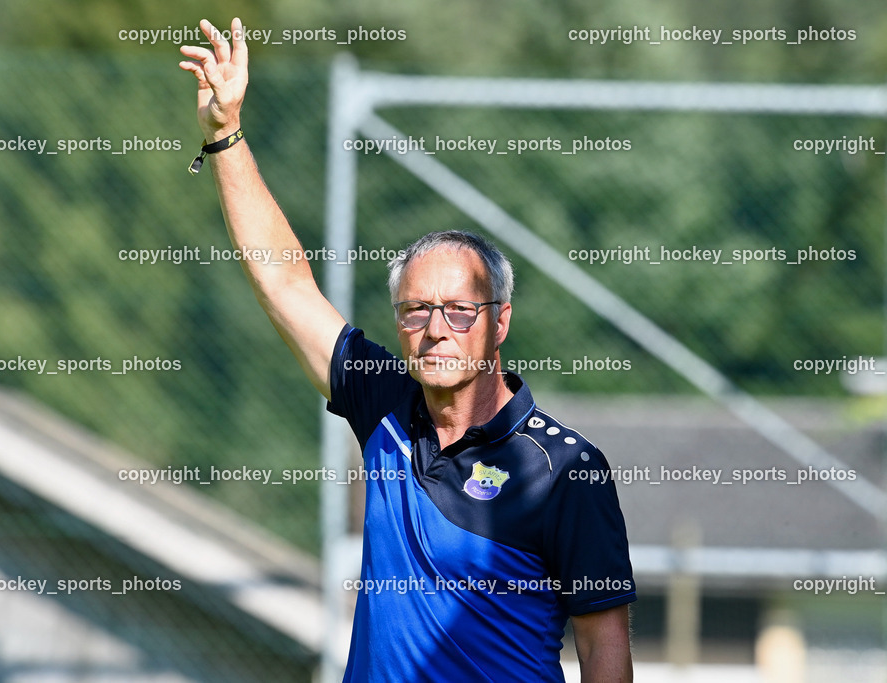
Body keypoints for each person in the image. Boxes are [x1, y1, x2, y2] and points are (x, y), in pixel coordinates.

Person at [179, 18, 635, 682]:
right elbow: (282, 281)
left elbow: (605, 649)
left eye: (459, 309)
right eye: (417, 310)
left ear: (499, 322)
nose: (437, 327)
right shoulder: (384, 403)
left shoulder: (564, 469)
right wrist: (225, 132)